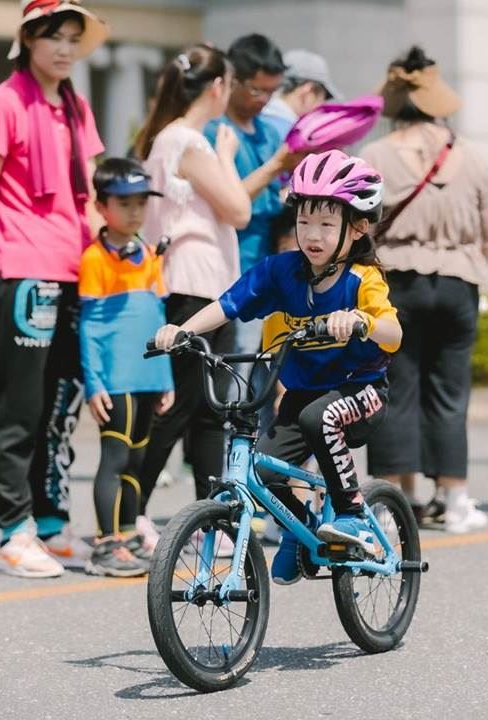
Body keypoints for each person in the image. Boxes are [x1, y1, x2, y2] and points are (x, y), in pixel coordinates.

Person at [151, 149, 401, 586]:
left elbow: (393, 333)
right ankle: (299, 532)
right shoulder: (282, 271)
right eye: (304, 222)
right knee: (261, 467)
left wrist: (361, 321)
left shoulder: (363, 279)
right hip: (305, 394)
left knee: (317, 417)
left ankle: (354, 515)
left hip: (361, 392)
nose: (312, 234)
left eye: (326, 223)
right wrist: (182, 331)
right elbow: (229, 304)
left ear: (358, 227)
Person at [0, 0, 107, 578]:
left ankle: (49, 524)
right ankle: (12, 533)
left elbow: (92, 196)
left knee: (58, 408)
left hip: (75, 271)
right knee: (17, 409)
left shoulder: (75, 106)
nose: (66, 48)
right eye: (55, 36)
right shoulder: (3, 103)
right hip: (21, 272)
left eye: (74, 38)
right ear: (28, 40)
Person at [362, 47, 488, 534]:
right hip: (459, 280)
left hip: (398, 280)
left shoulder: (376, 156)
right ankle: (455, 497)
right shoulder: (471, 156)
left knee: (395, 390)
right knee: (449, 392)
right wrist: (468, 269)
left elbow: (361, 225)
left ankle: (395, 501)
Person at [132, 44, 249, 516]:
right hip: (197, 283)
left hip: (191, 281)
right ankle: (129, 515)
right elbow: (238, 211)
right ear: (218, 87)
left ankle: (210, 516)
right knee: (184, 407)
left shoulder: (165, 137)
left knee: (203, 409)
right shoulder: (190, 142)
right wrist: (226, 156)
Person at [78, 158, 175, 576]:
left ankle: (129, 536)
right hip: (116, 380)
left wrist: (167, 376)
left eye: (141, 203)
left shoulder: (150, 255)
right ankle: (105, 545)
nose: (135, 212)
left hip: (149, 375)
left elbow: (158, 319)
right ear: (101, 207)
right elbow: (90, 327)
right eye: (124, 203)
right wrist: (94, 383)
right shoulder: (94, 259)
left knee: (138, 463)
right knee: (114, 459)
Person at [203, 34, 304, 412]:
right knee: (239, 369)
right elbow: (228, 205)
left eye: (272, 92)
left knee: (273, 369)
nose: (264, 101)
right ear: (233, 80)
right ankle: (231, 456)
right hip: (234, 270)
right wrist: (276, 166)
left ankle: (262, 464)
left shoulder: (268, 131)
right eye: (258, 90)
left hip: (274, 270)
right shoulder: (215, 132)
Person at [261, 49, 340, 138]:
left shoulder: (256, 119)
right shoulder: (292, 134)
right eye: (324, 97)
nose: (322, 104)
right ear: (308, 90)